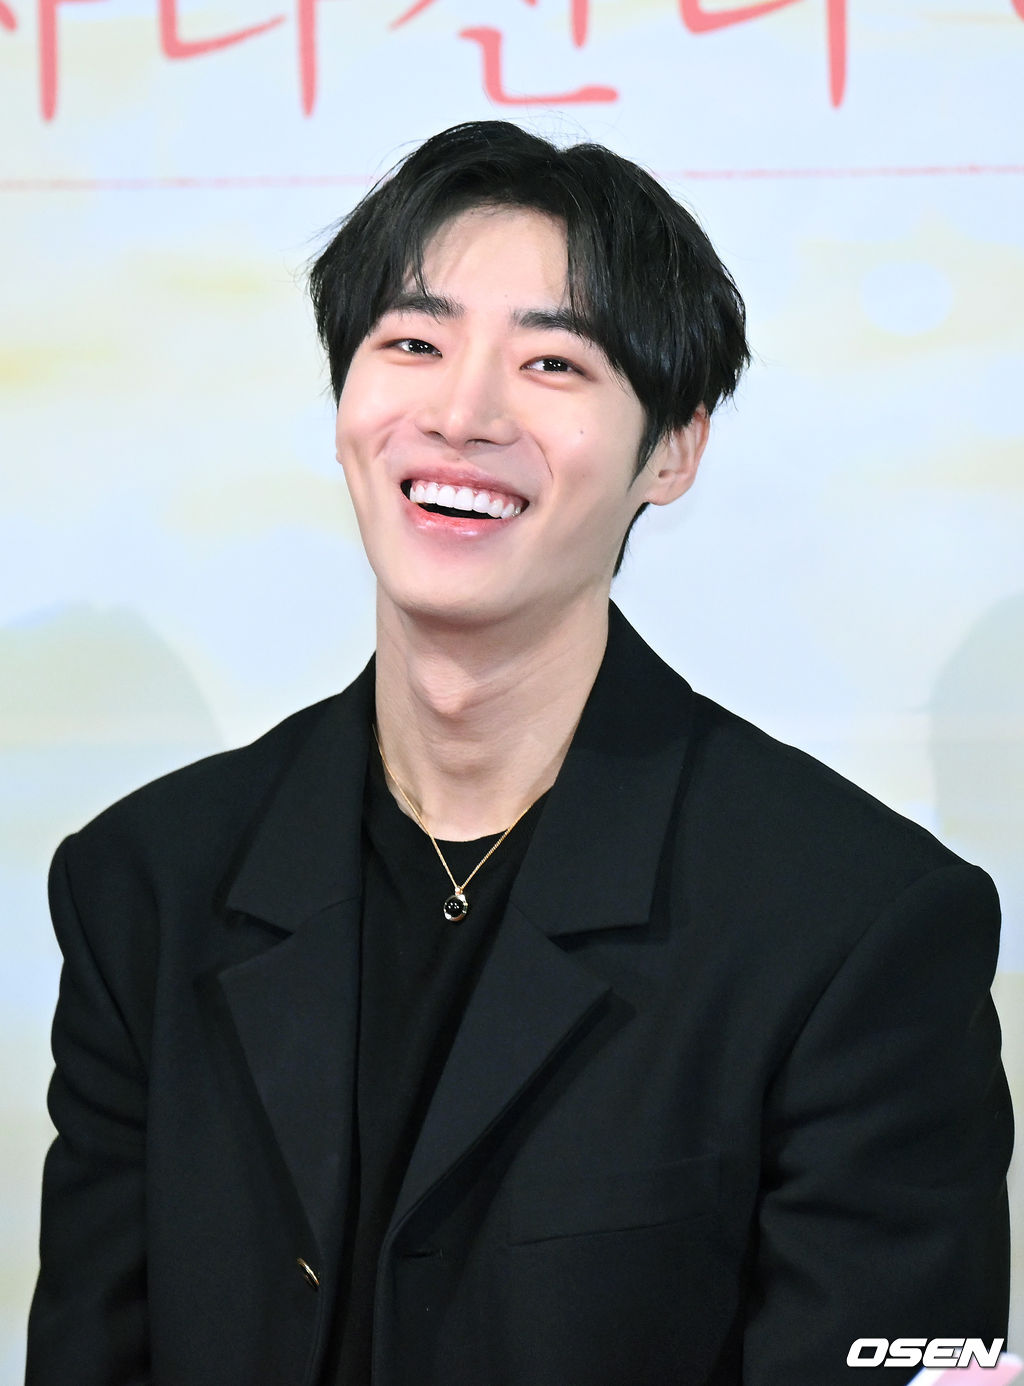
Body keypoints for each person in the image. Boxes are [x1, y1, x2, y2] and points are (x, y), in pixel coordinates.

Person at [27, 121, 1011, 1386]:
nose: (462, 414)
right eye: (414, 344)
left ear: (673, 448)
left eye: (553, 362)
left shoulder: (856, 927)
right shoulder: (146, 887)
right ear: (344, 403)